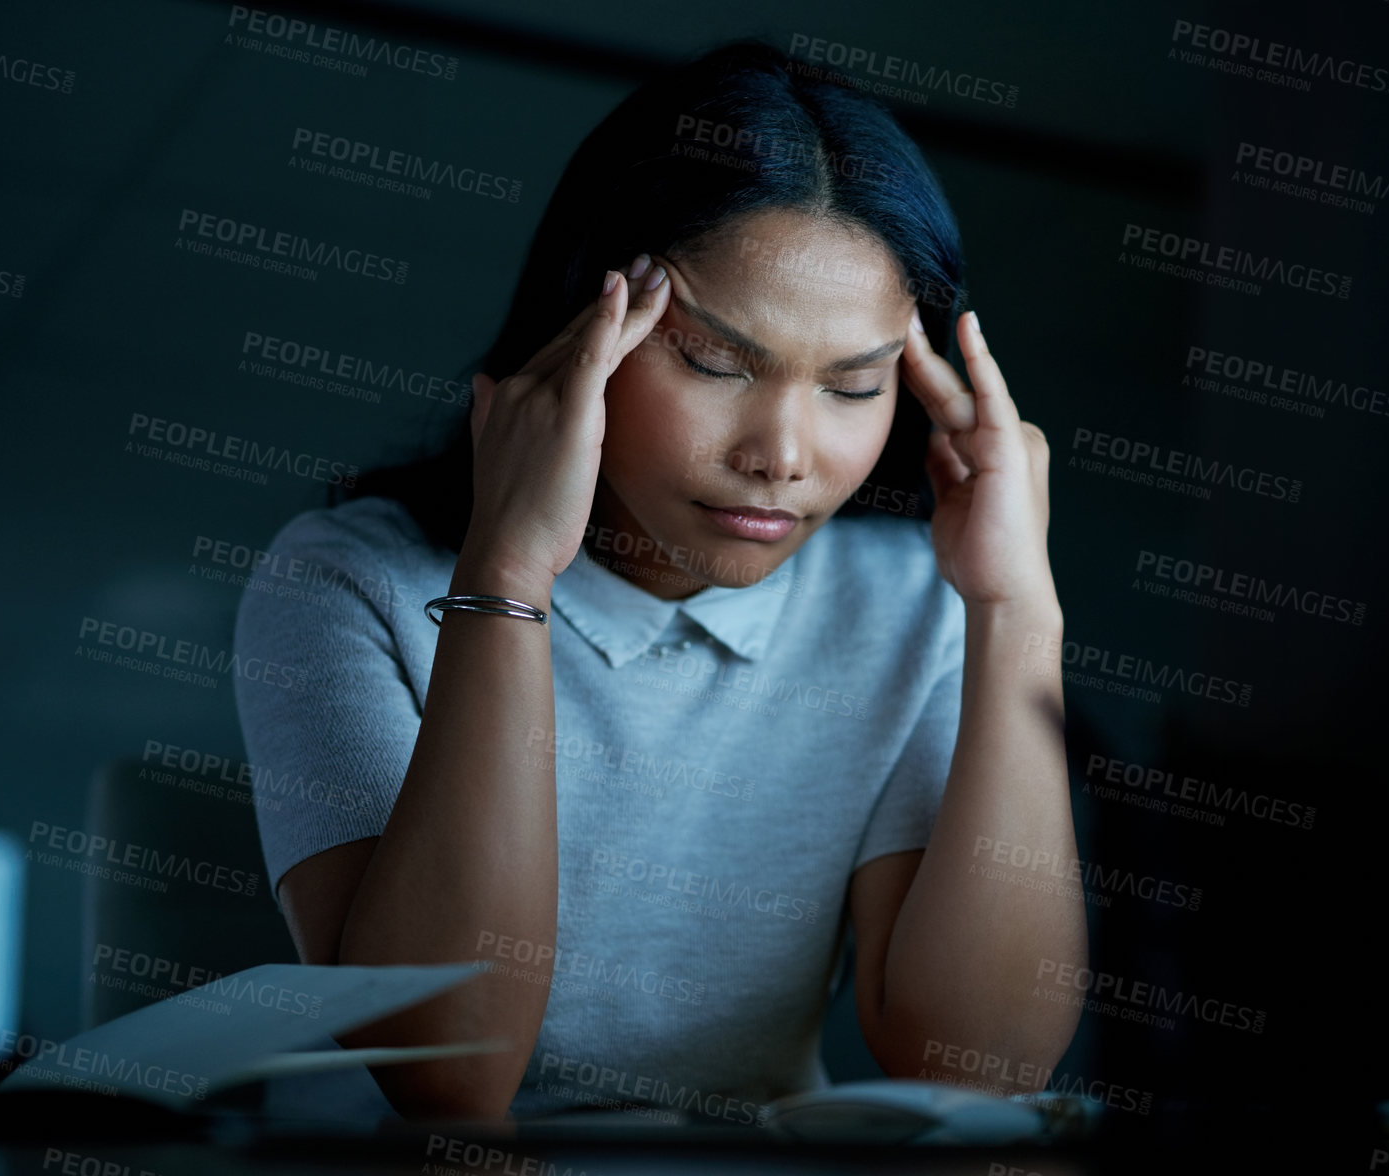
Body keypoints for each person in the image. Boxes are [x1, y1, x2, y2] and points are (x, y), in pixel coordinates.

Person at [231, 37, 1085, 1124]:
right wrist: (508, 573)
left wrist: (1016, 612)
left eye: (854, 385)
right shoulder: (350, 578)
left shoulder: (907, 604)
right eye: (716, 364)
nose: (781, 452)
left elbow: (975, 1070)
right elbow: (447, 1075)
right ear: (583, 332)